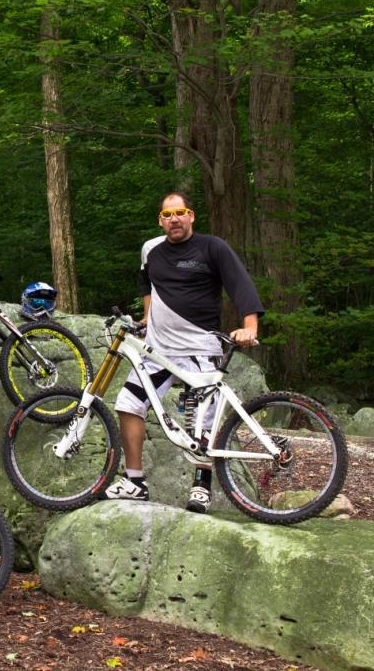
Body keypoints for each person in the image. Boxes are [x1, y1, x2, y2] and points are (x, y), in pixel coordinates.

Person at [104, 192, 264, 513]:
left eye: (180, 212)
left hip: (200, 347)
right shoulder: (151, 250)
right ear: (160, 220)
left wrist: (250, 327)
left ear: (191, 216)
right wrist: (147, 319)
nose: (174, 219)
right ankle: (134, 481)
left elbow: (240, 284)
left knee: (201, 422)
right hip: (160, 350)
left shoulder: (212, 247)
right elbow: (146, 283)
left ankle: (201, 487)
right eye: (167, 214)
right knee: (128, 404)